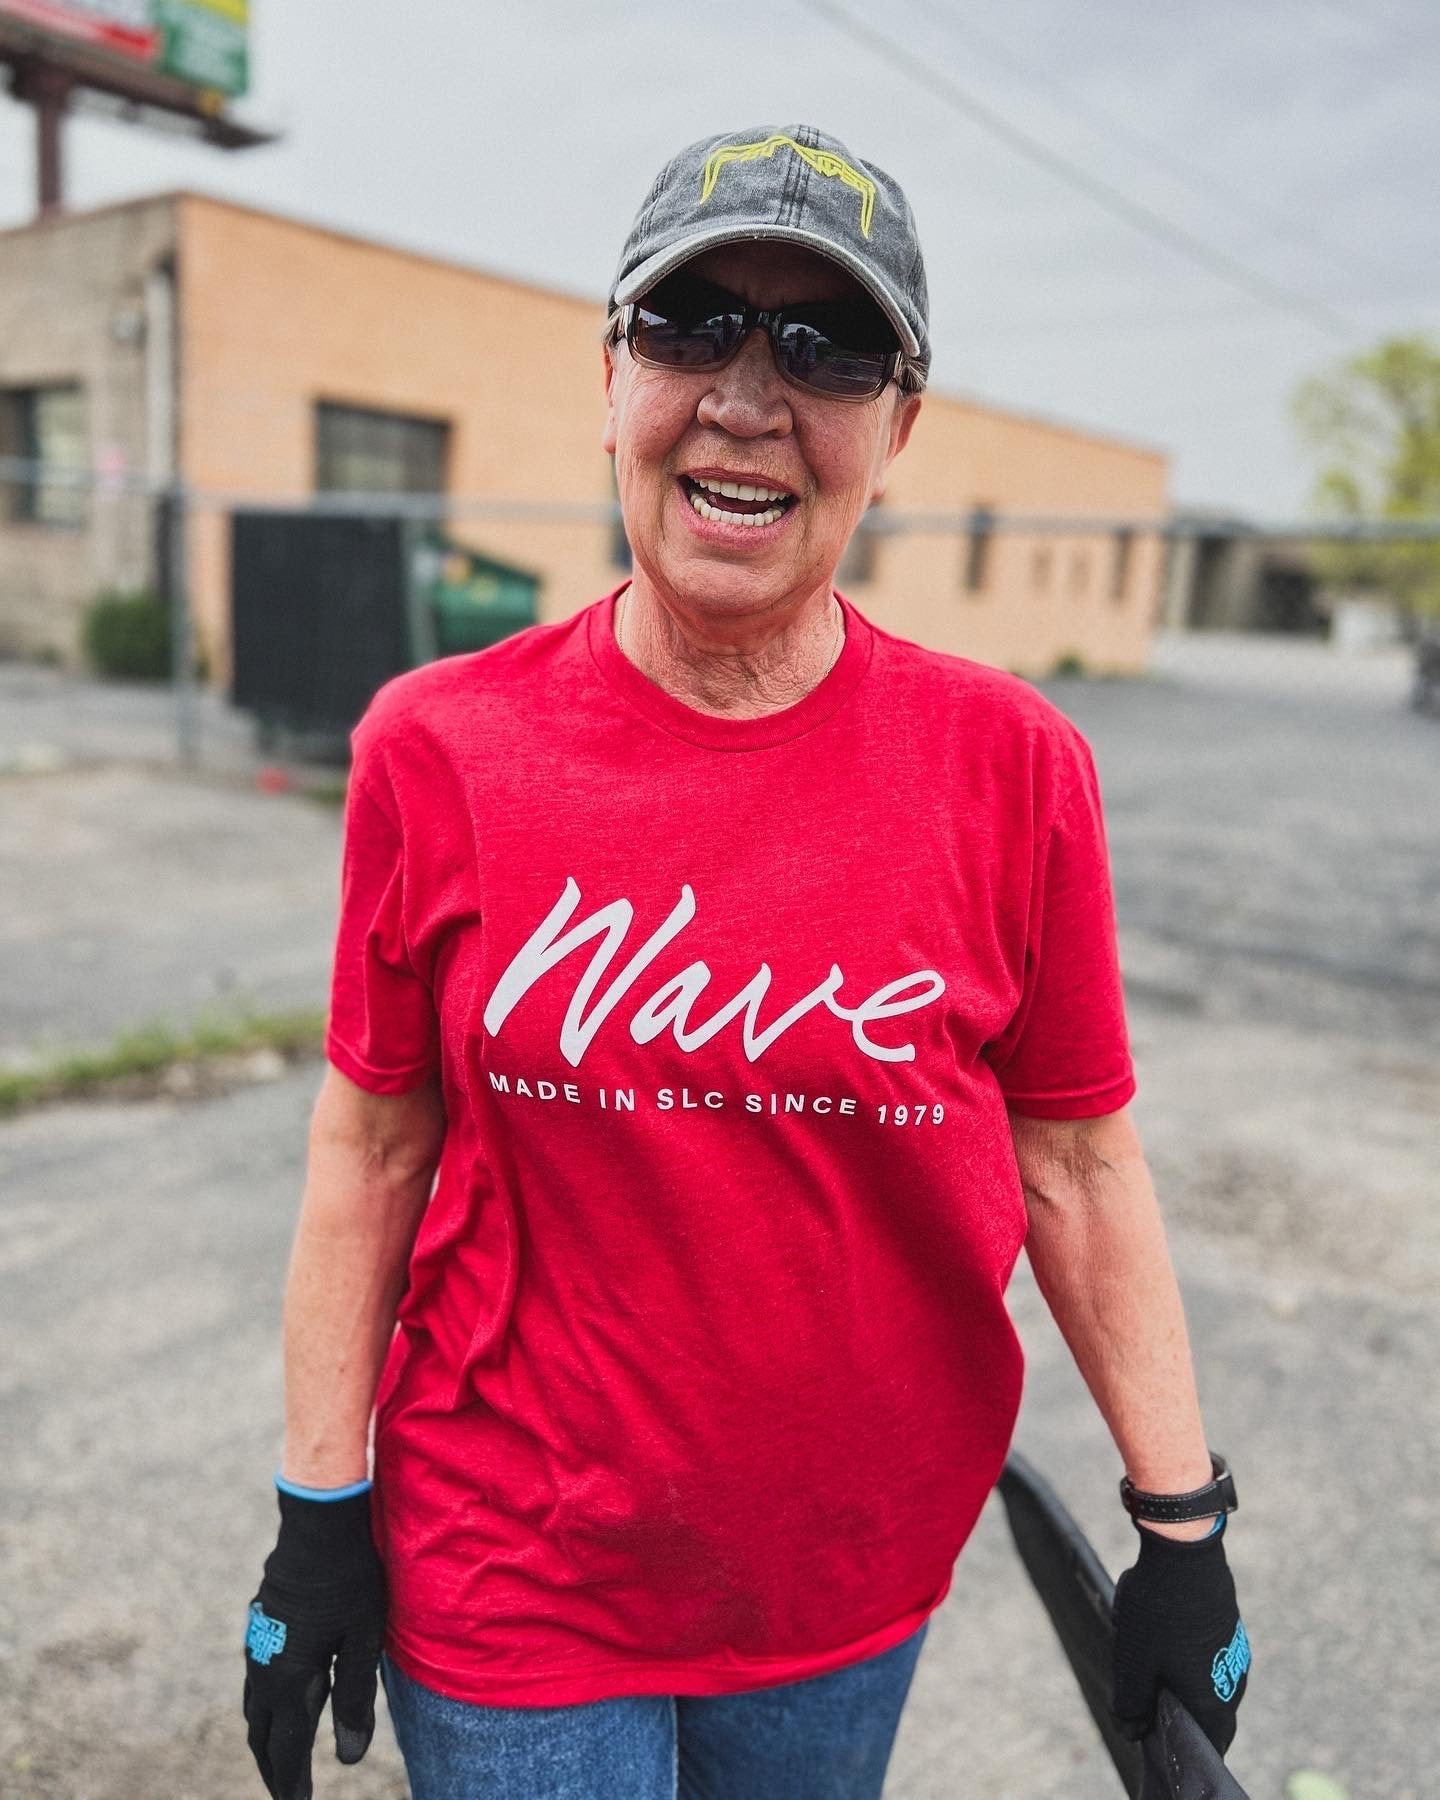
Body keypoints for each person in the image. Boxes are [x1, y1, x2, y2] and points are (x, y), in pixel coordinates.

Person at [243, 124, 1249, 1800]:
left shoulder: (1011, 769)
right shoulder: (439, 747)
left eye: (826, 345)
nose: (748, 393)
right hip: (512, 1557)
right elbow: (372, 1141)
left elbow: (1074, 1160)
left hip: (849, 1578)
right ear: (615, 377)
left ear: (898, 426)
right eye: (691, 322)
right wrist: (315, 1512)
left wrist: (1182, 1520)